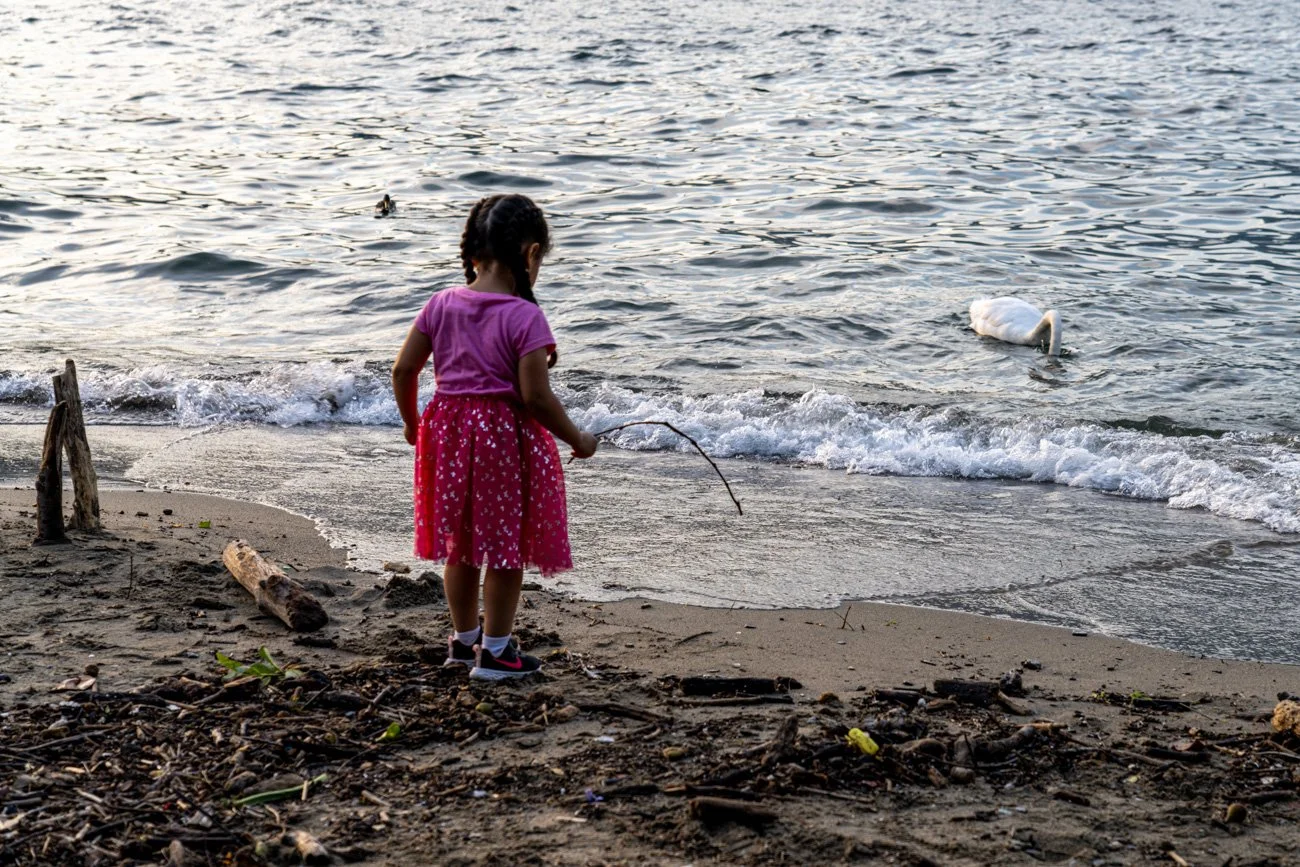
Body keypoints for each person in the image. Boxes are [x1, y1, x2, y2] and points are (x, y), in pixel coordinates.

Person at [391, 194, 597, 680]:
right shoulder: (524, 317)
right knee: (505, 549)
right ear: (530, 255)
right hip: (503, 443)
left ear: (473, 252)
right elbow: (535, 398)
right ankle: (498, 652)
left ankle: (464, 644)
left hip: (447, 434)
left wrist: (411, 424)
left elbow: (403, 370)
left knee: (459, 544)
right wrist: (577, 438)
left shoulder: (441, 303)